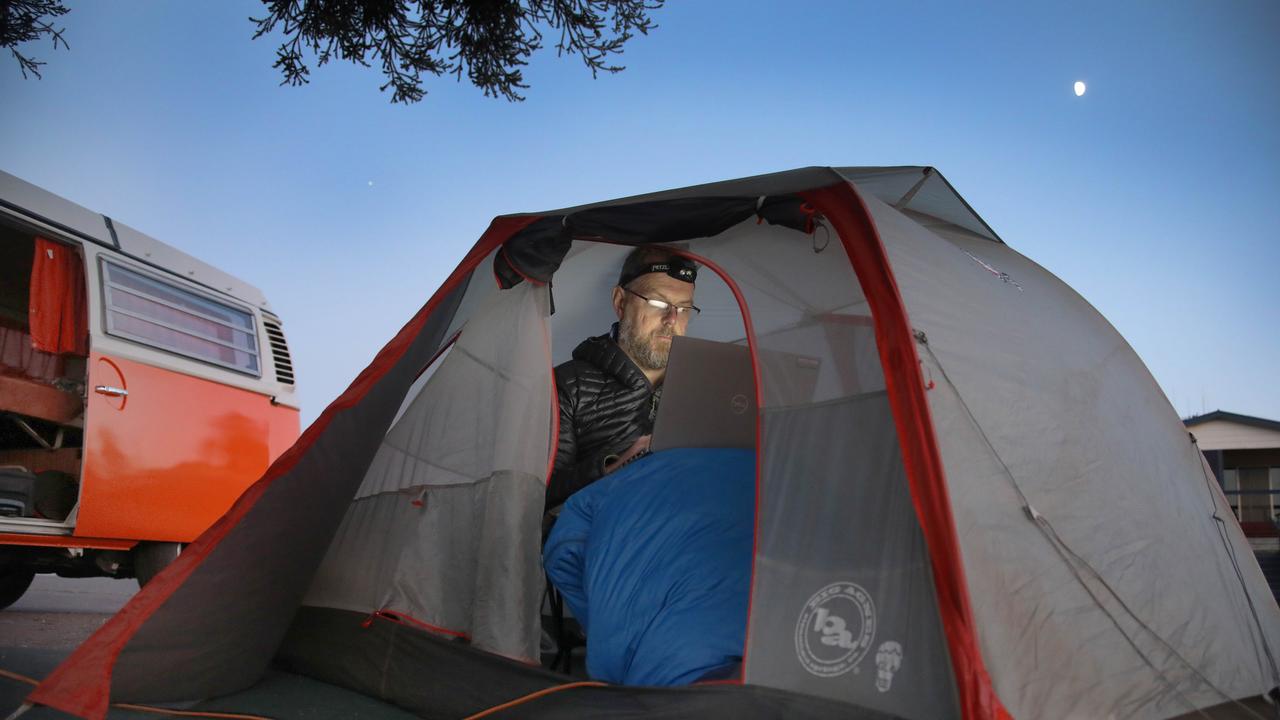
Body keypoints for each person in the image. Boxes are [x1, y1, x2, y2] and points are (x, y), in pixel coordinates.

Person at [545, 246, 699, 510]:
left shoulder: (706, 385)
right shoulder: (568, 385)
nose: (671, 319)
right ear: (620, 302)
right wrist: (616, 464)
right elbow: (540, 498)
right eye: (658, 303)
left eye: (684, 309)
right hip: (608, 536)